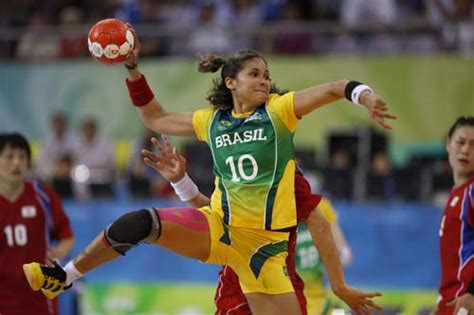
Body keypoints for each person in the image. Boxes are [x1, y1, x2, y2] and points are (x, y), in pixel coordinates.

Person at [24, 26, 395, 315]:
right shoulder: (211, 122)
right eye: (254, 74)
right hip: (220, 229)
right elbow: (156, 117)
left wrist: (364, 96)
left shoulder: (279, 111)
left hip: (265, 249)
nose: (264, 80)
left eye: (266, 74)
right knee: (139, 222)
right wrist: (133, 68)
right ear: (231, 82)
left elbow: (334, 87)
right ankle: (64, 276)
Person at [141, 135, 369, 314]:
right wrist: (180, 182)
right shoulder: (249, 200)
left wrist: (341, 270)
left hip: (311, 303)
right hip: (258, 300)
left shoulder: (314, 209)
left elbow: (334, 238)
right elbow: (209, 211)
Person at [0, 132, 74, 314]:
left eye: (22, 157)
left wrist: (57, 255)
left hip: (40, 303)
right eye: (9, 157)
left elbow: (67, 236)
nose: (16, 163)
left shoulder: (43, 195)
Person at [432, 116, 474, 315]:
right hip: (451, 305)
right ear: (448, 144)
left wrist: (473, 293)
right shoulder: (457, 194)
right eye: (460, 142)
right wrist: (440, 304)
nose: (465, 150)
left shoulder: (472, 192)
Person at [295, 197, 353, 315]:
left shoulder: (321, 206)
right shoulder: (320, 205)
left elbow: (343, 249)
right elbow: (344, 252)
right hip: (304, 298)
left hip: (313, 297)